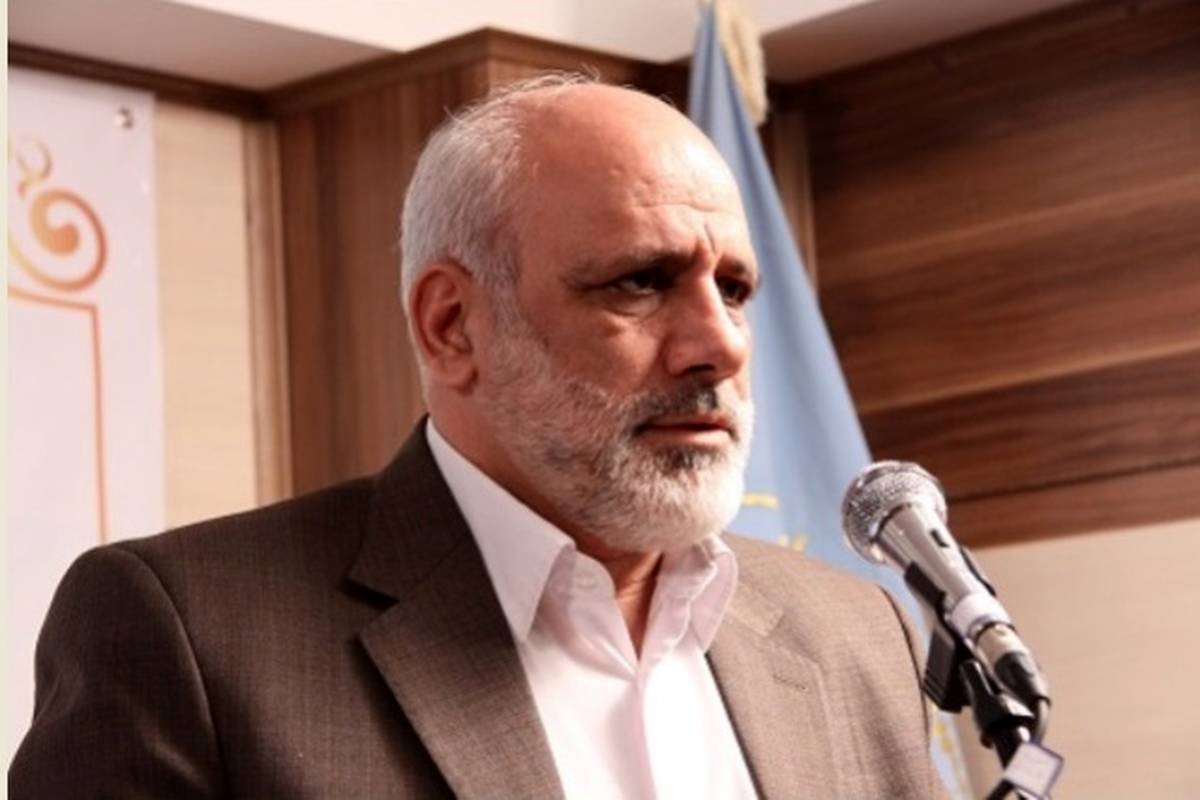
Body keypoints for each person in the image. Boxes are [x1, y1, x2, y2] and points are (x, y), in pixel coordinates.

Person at [11, 75, 945, 799]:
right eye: (639, 282)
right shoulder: (190, 632)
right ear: (452, 325)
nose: (721, 345)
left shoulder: (856, 637)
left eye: (733, 289)